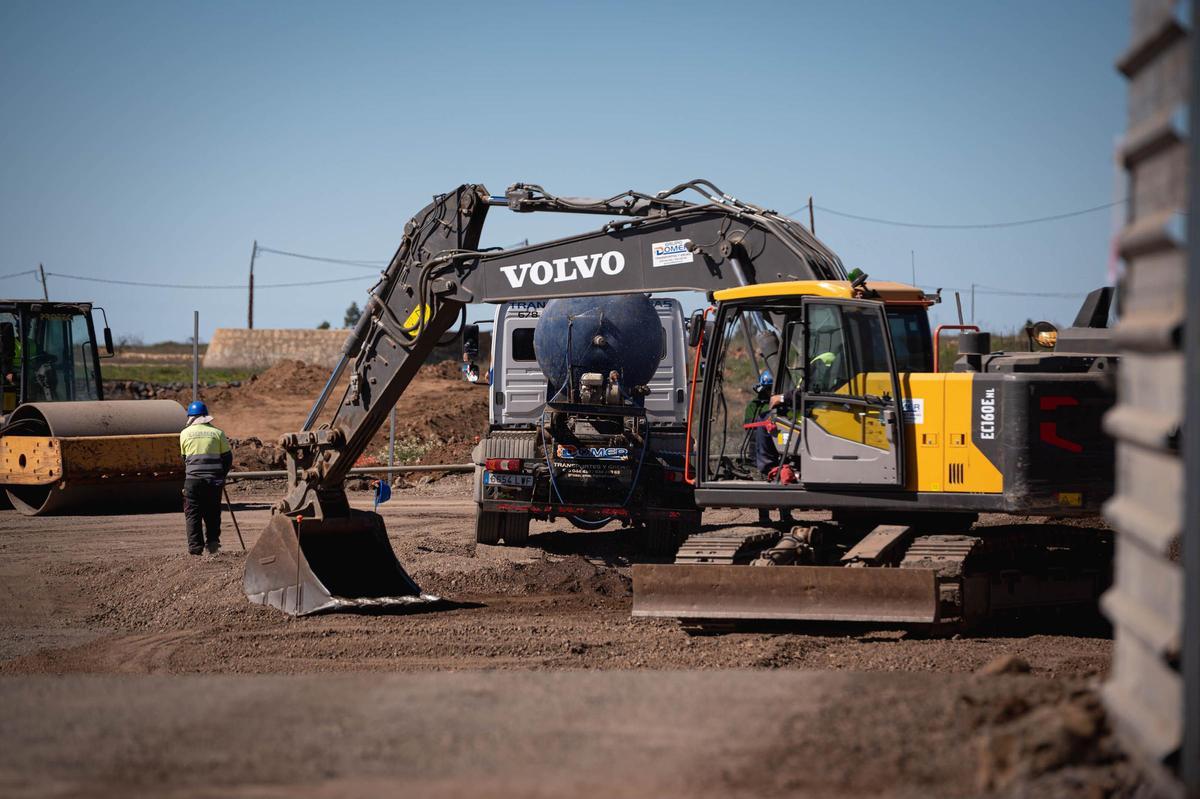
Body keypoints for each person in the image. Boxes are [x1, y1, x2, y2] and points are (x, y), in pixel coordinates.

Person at [179, 400, 232, 555]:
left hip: (192, 481)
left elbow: (184, 458)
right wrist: (221, 475)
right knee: (213, 512)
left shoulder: (184, 433)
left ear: (191, 417)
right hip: (213, 481)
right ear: (206, 416)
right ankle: (213, 545)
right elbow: (227, 458)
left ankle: (195, 550)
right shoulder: (218, 433)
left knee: (193, 513)